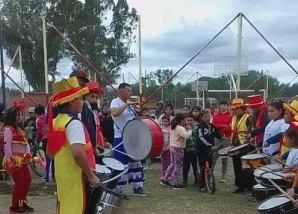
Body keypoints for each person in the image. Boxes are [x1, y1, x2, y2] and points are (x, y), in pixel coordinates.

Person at [46, 76, 100, 214]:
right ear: (71, 102)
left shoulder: (57, 121)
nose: (82, 102)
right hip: (77, 178)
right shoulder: (73, 123)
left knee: (66, 208)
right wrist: (91, 175)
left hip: (63, 177)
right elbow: (77, 152)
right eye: (80, 98)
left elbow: (49, 152)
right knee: (79, 208)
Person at [110, 83, 149, 196]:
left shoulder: (129, 105)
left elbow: (133, 119)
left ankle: (137, 188)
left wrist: (138, 112)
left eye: (130, 90)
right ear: (120, 91)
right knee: (120, 164)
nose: (130, 93)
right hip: (120, 137)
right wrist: (127, 105)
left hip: (132, 137)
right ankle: (118, 190)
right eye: (127, 90)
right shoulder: (115, 102)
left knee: (135, 162)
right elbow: (115, 113)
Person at [2, 101, 34, 214]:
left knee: (27, 180)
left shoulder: (21, 130)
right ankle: (14, 206)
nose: (20, 117)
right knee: (19, 182)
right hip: (14, 160)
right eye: (18, 115)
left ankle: (22, 202)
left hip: (23, 159)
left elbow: (26, 144)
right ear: (12, 117)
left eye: (21, 115)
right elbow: (7, 146)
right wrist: (10, 160)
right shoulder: (8, 130)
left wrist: (28, 155)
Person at [161, 113, 192, 189]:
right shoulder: (179, 128)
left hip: (172, 147)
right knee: (177, 166)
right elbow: (187, 136)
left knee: (172, 164)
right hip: (178, 148)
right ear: (181, 120)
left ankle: (165, 178)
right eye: (184, 119)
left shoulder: (173, 126)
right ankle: (176, 183)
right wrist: (190, 129)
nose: (185, 121)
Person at [196, 109, 224, 191]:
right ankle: (202, 185)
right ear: (201, 117)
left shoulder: (211, 126)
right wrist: (208, 145)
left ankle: (209, 183)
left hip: (210, 150)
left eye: (209, 116)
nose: (207, 118)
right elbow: (200, 138)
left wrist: (221, 136)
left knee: (209, 167)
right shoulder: (200, 127)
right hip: (202, 150)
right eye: (205, 116)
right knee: (202, 168)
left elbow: (216, 132)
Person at [230, 98, 251, 193]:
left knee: (245, 167)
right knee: (236, 166)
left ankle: (247, 186)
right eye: (233, 109)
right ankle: (239, 186)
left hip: (244, 145)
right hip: (234, 145)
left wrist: (247, 141)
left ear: (243, 108)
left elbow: (251, 132)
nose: (235, 111)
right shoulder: (234, 118)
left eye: (237, 108)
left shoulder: (248, 118)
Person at [212, 99, 232, 183]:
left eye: (224, 105)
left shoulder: (231, 116)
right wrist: (223, 125)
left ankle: (223, 175)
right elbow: (213, 125)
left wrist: (221, 127)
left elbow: (230, 127)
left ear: (227, 106)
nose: (223, 106)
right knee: (214, 156)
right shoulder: (216, 116)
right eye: (221, 105)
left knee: (225, 157)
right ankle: (210, 173)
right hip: (217, 138)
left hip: (226, 138)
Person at [183, 114, 198, 186]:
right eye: (188, 120)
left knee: (195, 167)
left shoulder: (196, 128)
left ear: (194, 121)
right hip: (186, 150)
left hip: (194, 150)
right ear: (185, 121)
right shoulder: (183, 129)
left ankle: (196, 181)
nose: (189, 122)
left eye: (191, 120)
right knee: (186, 166)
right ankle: (184, 180)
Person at [160, 116, 171, 183]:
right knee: (163, 162)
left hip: (168, 147)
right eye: (164, 121)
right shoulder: (160, 128)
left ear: (169, 121)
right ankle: (163, 174)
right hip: (162, 147)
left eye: (166, 121)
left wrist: (168, 146)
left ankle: (168, 175)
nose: (165, 123)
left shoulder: (170, 128)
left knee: (169, 162)